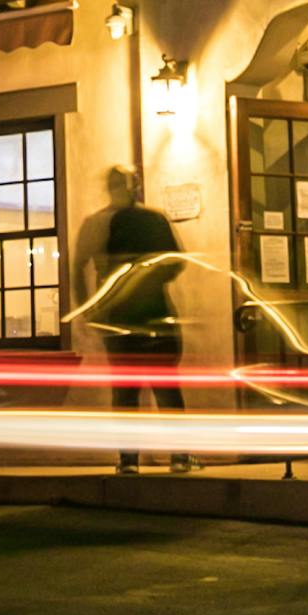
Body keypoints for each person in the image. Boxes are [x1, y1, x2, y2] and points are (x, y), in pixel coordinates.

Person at [90, 180, 187, 473]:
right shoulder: (155, 219)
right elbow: (177, 262)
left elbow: (99, 266)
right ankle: (180, 455)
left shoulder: (108, 222)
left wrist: (98, 308)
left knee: (125, 393)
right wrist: (154, 276)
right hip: (158, 315)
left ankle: (129, 459)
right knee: (167, 390)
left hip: (122, 320)